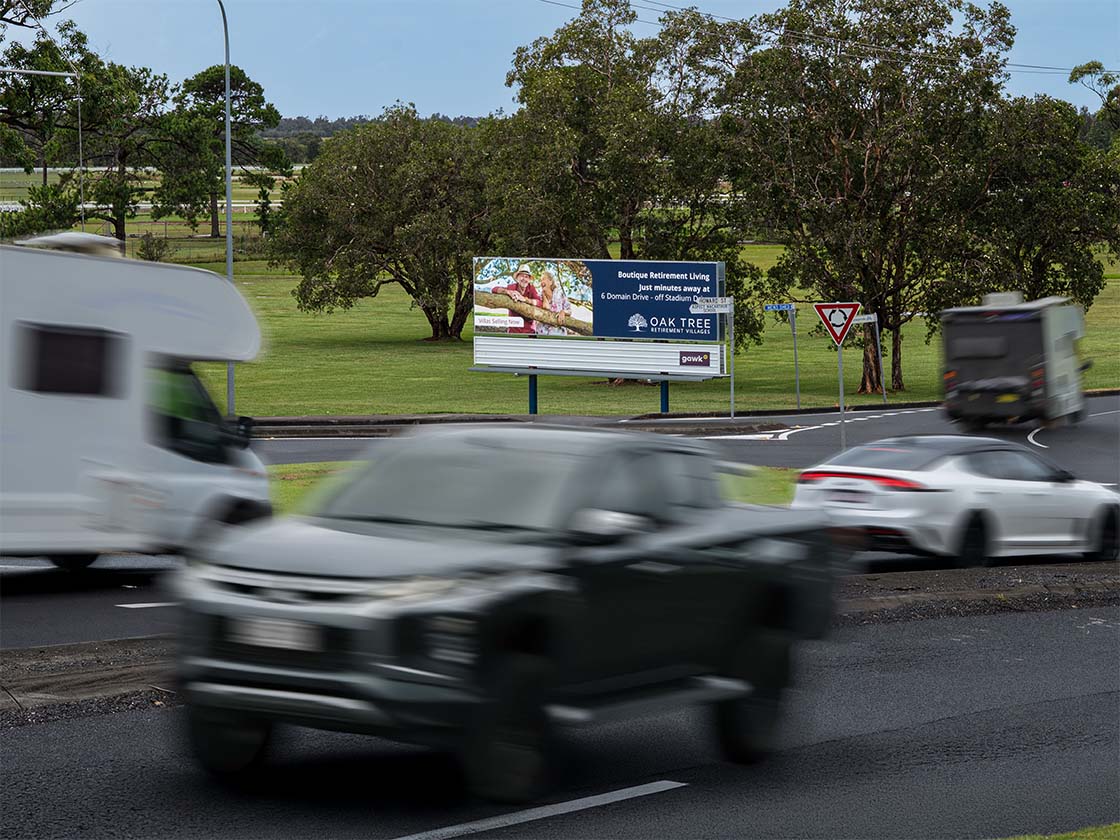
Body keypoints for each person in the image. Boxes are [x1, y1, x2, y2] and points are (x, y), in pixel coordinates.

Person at [491, 263, 543, 334]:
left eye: (526, 277)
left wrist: (525, 299)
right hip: (514, 330)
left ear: (529, 279)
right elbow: (494, 289)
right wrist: (508, 292)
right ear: (517, 278)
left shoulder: (531, 289)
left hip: (529, 330)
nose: (524, 279)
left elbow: (539, 303)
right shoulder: (512, 287)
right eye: (522, 276)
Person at [535, 269, 572, 336]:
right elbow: (546, 307)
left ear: (551, 282)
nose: (541, 282)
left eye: (543, 279)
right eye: (541, 280)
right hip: (542, 334)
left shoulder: (560, 294)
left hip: (558, 334)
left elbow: (569, 311)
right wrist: (544, 295)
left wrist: (563, 312)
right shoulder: (539, 296)